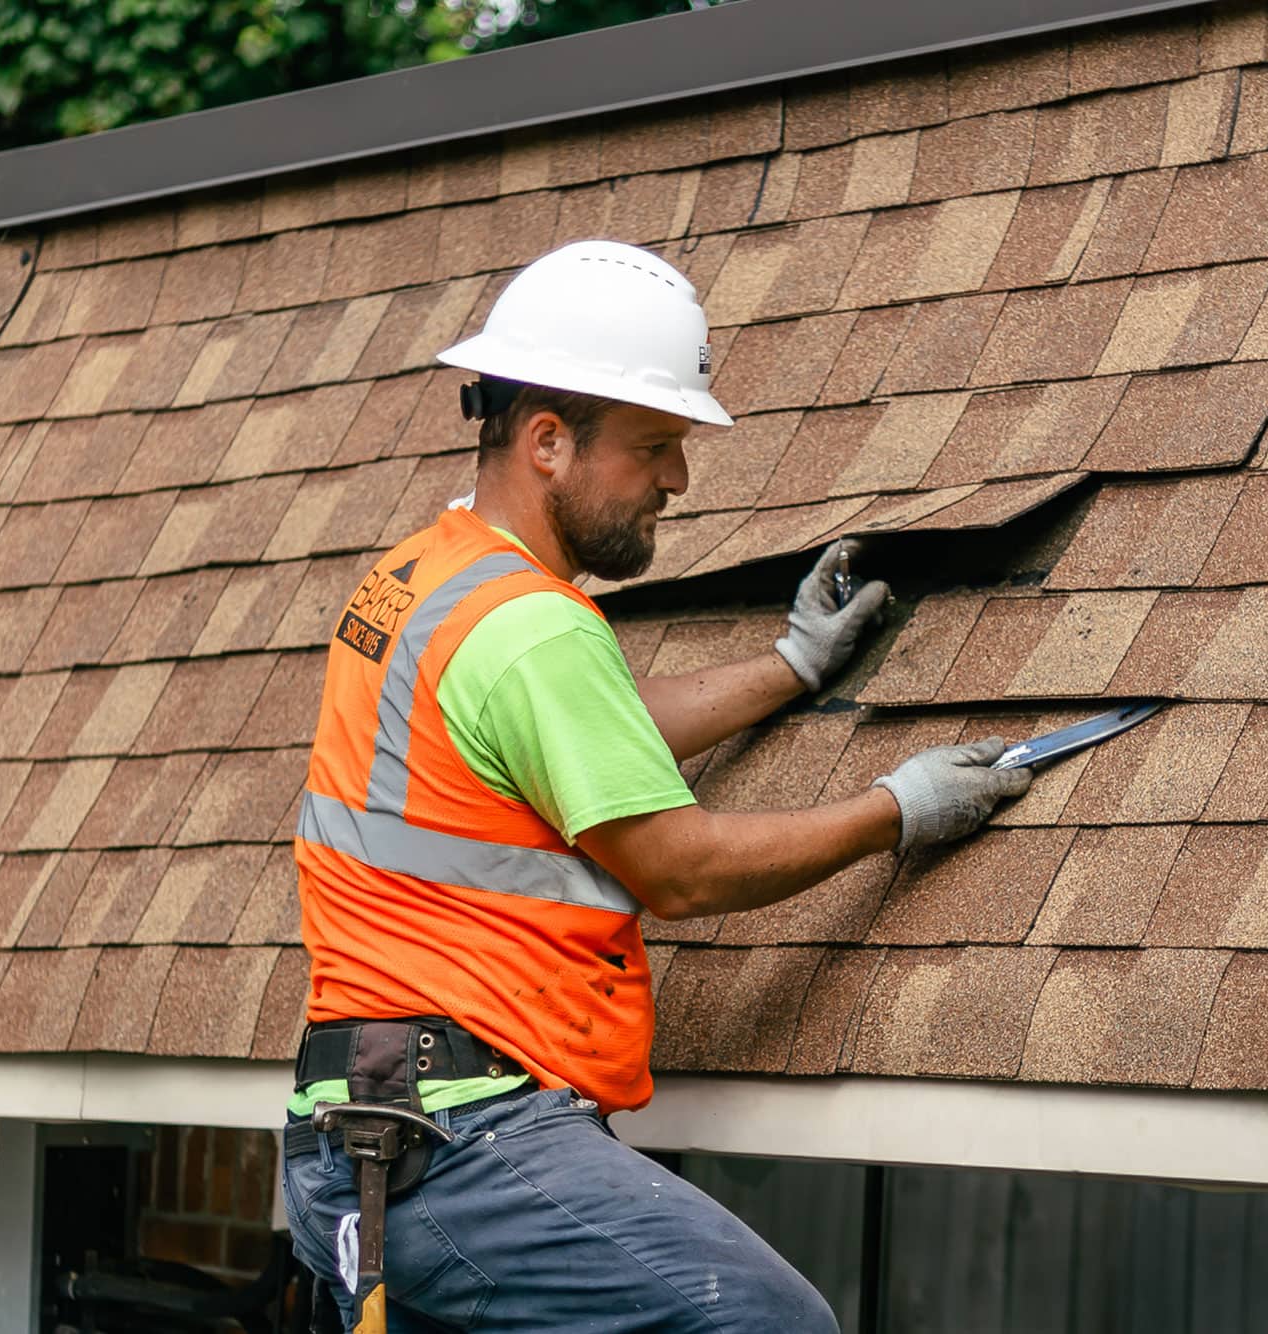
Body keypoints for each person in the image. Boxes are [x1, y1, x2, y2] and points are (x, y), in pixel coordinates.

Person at [281, 240, 1032, 1332]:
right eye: (652, 445)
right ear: (547, 441)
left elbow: (592, 732)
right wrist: (895, 808)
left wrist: (790, 666)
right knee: (767, 1322)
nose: (676, 478)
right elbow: (678, 868)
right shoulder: (529, 627)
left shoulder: (424, 579)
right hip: (458, 1144)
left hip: (369, 1134)